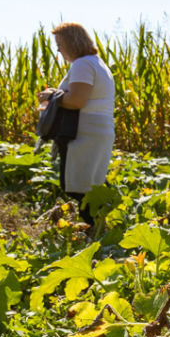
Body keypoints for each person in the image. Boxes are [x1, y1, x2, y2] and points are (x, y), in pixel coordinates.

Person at [37, 23, 115, 227]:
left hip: (85, 130)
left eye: (60, 44)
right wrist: (58, 94)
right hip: (98, 129)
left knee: (78, 186)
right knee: (90, 182)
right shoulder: (96, 63)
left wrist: (52, 96)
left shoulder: (82, 64)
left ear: (72, 43)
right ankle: (105, 220)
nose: (59, 50)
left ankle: (96, 230)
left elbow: (77, 100)